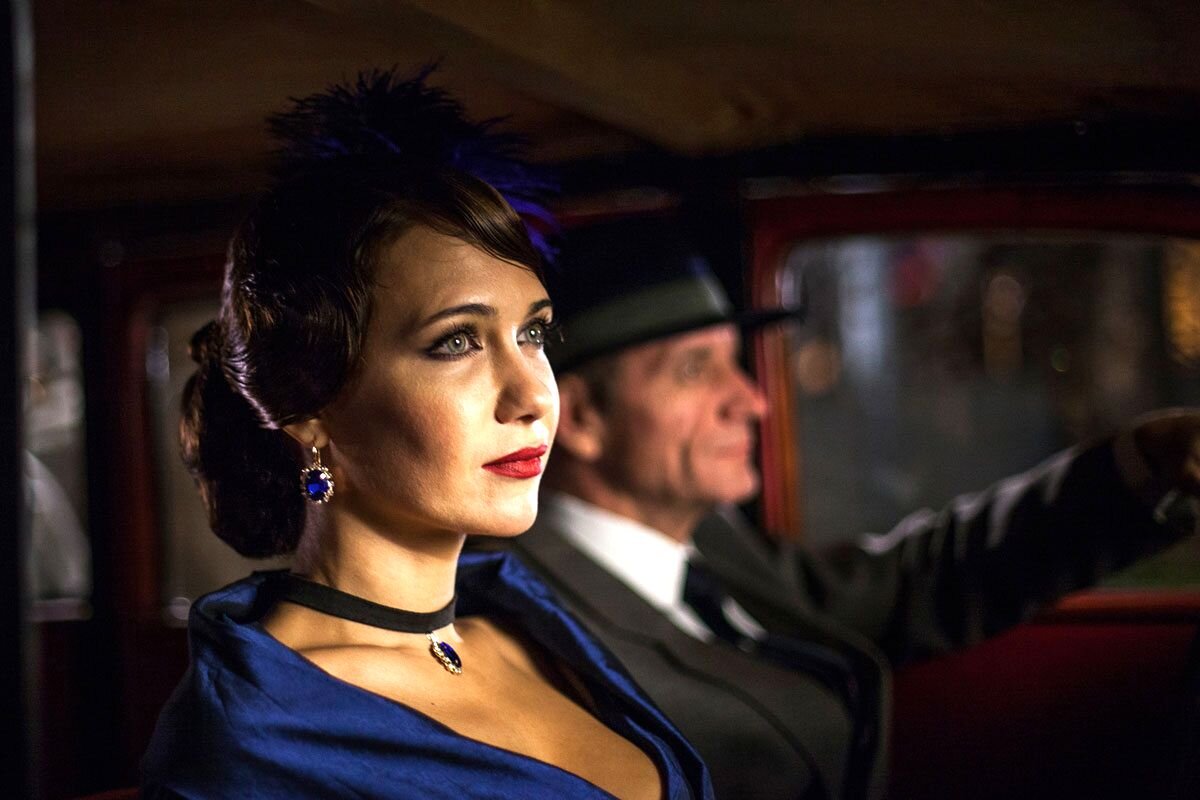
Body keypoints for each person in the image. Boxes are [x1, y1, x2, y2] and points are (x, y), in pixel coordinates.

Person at [140, 73, 712, 799]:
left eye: (532, 333)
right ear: (309, 407)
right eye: (456, 343)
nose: (535, 396)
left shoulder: (527, 623)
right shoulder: (255, 740)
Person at [512, 215, 1200, 800]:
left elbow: (905, 586)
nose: (752, 400)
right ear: (582, 417)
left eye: (735, 362)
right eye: (695, 370)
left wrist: (1142, 468)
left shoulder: (711, 546)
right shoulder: (524, 625)